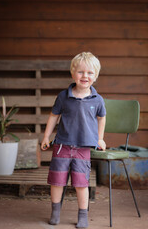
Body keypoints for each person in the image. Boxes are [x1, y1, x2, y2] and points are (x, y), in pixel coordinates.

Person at [41, 52, 106, 228]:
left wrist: (100, 138)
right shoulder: (63, 96)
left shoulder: (97, 99)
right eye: (80, 72)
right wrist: (46, 136)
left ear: (96, 76)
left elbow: (101, 118)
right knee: (57, 180)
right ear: (72, 73)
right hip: (62, 145)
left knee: (81, 183)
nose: (85, 76)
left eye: (90, 72)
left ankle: (83, 215)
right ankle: (55, 212)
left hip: (82, 149)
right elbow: (54, 116)